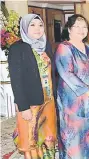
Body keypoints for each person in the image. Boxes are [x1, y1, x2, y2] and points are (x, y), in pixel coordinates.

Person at [8, 14, 57, 159]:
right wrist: (23, 107)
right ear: (24, 28)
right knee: (31, 140)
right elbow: (16, 80)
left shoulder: (45, 46)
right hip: (31, 103)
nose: (37, 29)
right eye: (32, 25)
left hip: (48, 101)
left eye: (40, 25)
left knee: (48, 137)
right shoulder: (18, 48)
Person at [55, 14, 89, 158]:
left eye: (84, 27)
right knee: (74, 139)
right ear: (69, 29)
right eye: (77, 26)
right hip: (73, 103)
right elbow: (67, 73)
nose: (81, 30)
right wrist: (87, 90)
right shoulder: (64, 48)